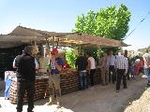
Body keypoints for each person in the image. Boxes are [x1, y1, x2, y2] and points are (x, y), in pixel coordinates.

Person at [13, 46, 39, 112]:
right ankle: (30, 110)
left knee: (20, 96)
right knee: (30, 96)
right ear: (30, 52)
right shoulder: (33, 59)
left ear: (23, 51)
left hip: (21, 81)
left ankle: (19, 110)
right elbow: (37, 67)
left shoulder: (17, 57)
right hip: (30, 80)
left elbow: (14, 66)